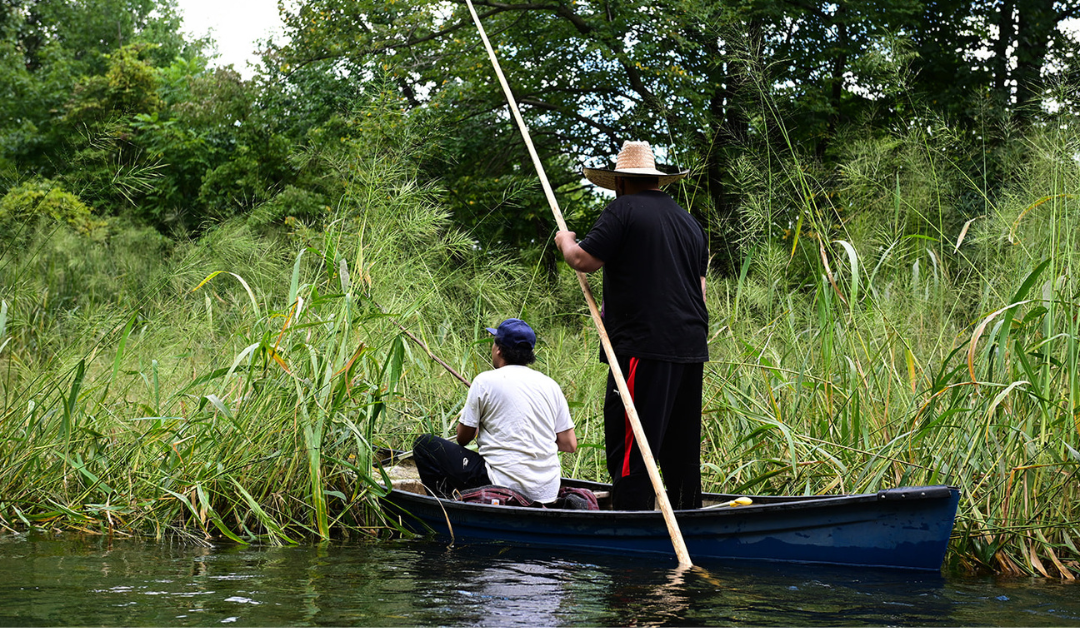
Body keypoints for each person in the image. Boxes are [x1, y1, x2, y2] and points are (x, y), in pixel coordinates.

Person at [554, 140, 708, 511]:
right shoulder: (689, 223)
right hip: (690, 345)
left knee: (632, 442)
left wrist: (565, 240)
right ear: (656, 180)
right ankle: (689, 513)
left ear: (620, 181)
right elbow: (697, 290)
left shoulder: (622, 209)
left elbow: (584, 260)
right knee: (680, 442)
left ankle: (630, 517)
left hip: (644, 344)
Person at [412, 318, 577, 504]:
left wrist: (479, 425)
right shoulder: (550, 385)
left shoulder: (485, 381)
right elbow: (569, 444)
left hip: (501, 484)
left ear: (498, 349)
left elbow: (462, 439)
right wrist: (533, 435)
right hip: (546, 491)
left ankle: (446, 507)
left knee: (425, 444)